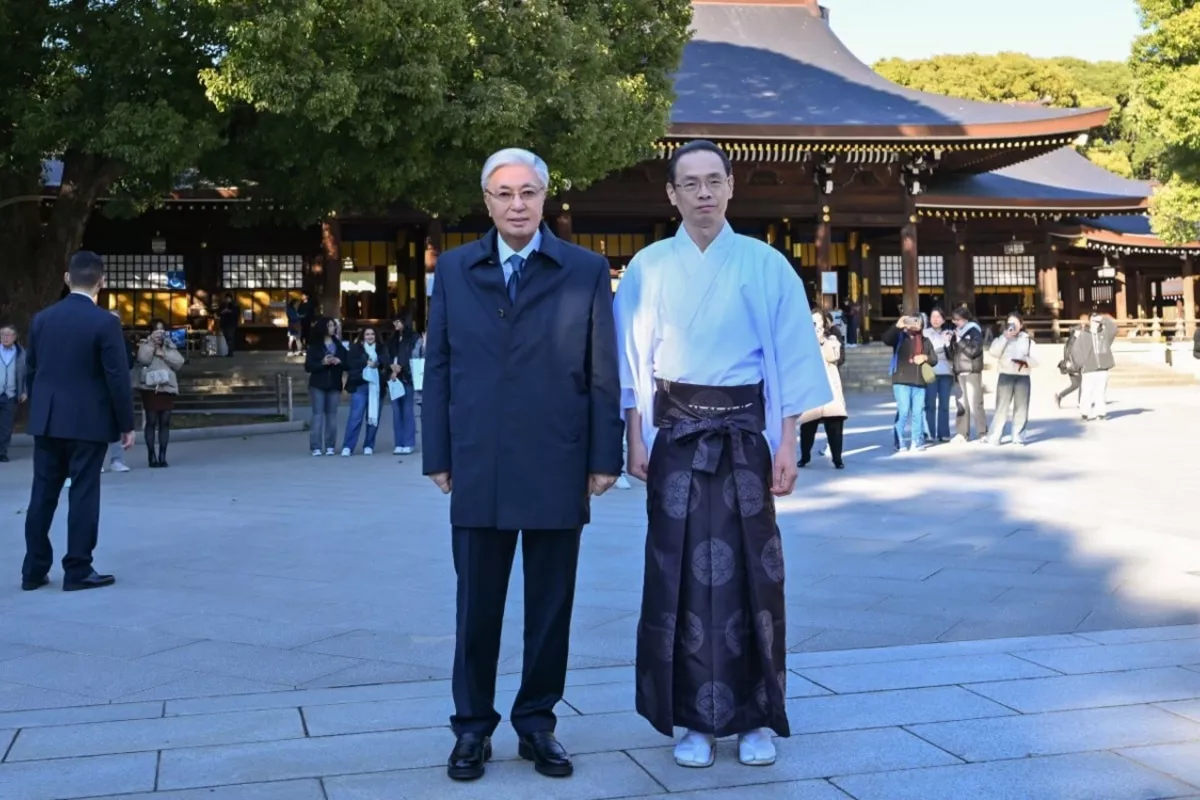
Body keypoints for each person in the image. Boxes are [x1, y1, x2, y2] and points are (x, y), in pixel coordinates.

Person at [615, 140, 830, 769]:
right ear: (672, 194)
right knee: (674, 575)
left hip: (745, 437)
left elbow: (791, 358)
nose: (703, 193)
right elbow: (631, 364)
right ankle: (693, 720)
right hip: (674, 437)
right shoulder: (650, 268)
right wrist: (633, 436)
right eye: (691, 183)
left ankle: (755, 716)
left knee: (754, 577)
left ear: (731, 186)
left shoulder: (765, 265)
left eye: (714, 180)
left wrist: (787, 440)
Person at [423, 147, 623, 783]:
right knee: (475, 606)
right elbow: (441, 368)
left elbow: (601, 369)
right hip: (478, 461)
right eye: (504, 193)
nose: (517, 204)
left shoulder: (584, 269)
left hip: (557, 458)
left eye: (528, 192)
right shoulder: (454, 270)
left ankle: (537, 721)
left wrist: (603, 456)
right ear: (486, 201)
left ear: (545, 198)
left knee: (551, 606)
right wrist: (438, 453)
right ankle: (472, 727)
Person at [22, 250, 135, 592]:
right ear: (101, 281)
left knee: (42, 494)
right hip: (88, 421)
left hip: (47, 418)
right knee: (83, 493)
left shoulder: (42, 319)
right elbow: (117, 377)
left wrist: (39, 409)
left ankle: (33, 569)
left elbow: (32, 369)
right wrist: (126, 423)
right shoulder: (105, 322)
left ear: (67, 278)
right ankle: (78, 568)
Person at [799, 310, 847, 469]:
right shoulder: (803, 340)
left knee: (834, 426)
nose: (815, 325)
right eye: (812, 322)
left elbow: (834, 357)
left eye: (818, 322)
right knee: (807, 427)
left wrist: (821, 340)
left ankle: (837, 458)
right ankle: (805, 456)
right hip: (811, 387)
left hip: (830, 387)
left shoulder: (832, 339)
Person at [882, 312, 937, 452]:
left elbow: (934, 359)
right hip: (901, 380)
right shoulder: (900, 337)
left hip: (919, 381)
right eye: (912, 320)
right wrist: (898, 326)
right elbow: (886, 339)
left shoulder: (925, 341)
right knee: (904, 410)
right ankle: (899, 438)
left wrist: (925, 357)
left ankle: (916, 440)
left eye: (917, 321)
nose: (914, 323)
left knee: (918, 412)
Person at [135, 319, 185, 467]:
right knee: (151, 421)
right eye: (156, 330)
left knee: (165, 421)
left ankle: (163, 455)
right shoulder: (146, 344)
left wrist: (164, 354)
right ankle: (151, 454)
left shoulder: (170, 345)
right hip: (150, 387)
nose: (159, 333)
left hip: (167, 387)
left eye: (162, 330)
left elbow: (179, 362)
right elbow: (143, 359)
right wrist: (151, 345)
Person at [987, 312, 1036, 446]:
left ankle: (1018, 436)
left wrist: (1025, 360)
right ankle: (995, 436)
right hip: (1005, 375)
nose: (1013, 326)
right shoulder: (1002, 338)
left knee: (1021, 407)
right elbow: (993, 352)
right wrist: (1004, 337)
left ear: (1021, 324)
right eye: (1010, 323)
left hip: (1023, 376)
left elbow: (1036, 360)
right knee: (1001, 407)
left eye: (1016, 323)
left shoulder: (1028, 339)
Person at [305, 317, 347, 456]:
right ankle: (316, 446)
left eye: (334, 326)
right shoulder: (315, 346)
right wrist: (322, 362)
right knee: (317, 415)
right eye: (330, 326)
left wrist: (339, 361)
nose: (333, 328)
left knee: (332, 416)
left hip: (334, 383)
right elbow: (308, 366)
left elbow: (347, 363)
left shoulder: (339, 345)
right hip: (318, 384)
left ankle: (330, 446)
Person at [341, 326, 386, 456]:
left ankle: (369, 445)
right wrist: (366, 363)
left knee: (373, 417)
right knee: (355, 417)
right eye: (367, 334)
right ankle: (348, 446)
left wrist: (377, 364)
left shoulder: (381, 348)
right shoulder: (355, 348)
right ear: (363, 336)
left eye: (372, 334)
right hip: (360, 385)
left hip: (377, 387)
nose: (370, 336)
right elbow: (350, 365)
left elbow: (386, 362)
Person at [949, 306, 987, 443]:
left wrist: (960, 341)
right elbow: (951, 354)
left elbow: (974, 351)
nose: (955, 322)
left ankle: (982, 432)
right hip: (959, 371)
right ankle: (962, 433)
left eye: (957, 320)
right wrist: (950, 342)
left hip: (971, 370)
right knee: (961, 403)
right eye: (954, 320)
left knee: (975, 402)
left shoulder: (974, 330)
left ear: (965, 319)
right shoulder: (958, 332)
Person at [1071, 312, 1117, 421]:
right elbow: (1075, 350)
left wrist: (1103, 319)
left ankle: (1100, 412)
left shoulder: (1104, 334)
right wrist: (1082, 363)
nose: (1096, 323)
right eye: (1094, 321)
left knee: (1100, 392)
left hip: (1102, 368)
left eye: (1097, 321)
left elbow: (1113, 329)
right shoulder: (1083, 335)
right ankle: (1084, 412)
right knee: (1087, 391)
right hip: (1088, 369)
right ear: (1090, 321)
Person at [387, 315, 419, 455]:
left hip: (407, 377)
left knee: (407, 411)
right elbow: (386, 355)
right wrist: (391, 367)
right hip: (394, 377)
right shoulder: (392, 339)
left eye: (398, 321)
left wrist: (401, 367)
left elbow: (415, 356)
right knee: (396, 412)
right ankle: (399, 442)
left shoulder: (414, 337)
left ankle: (409, 442)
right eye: (394, 321)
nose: (396, 324)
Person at [923, 308, 955, 443]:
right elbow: (926, 352)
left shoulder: (949, 333)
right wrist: (938, 353)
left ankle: (944, 433)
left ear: (943, 319)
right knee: (929, 404)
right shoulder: (924, 333)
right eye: (932, 316)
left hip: (946, 372)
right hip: (931, 372)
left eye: (938, 317)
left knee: (944, 405)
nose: (935, 319)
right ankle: (929, 433)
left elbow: (953, 354)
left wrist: (947, 343)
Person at [0, 324, 28, 463]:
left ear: (15, 337)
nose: (5, 338)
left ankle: (2, 452)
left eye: (8, 335)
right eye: (2, 335)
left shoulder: (21, 353)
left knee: (6, 426)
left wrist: (24, 391)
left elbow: (26, 375)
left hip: (11, 394)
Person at [1055, 314, 1088, 409]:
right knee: (1081, 383)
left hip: (1075, 361)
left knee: (1075, 384)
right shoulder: (1076, 334)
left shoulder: (1081, 332)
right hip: (1074, 362)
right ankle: (1081, 402)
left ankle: (1060, 396)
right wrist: (1068, 360)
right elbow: (1069, 349)